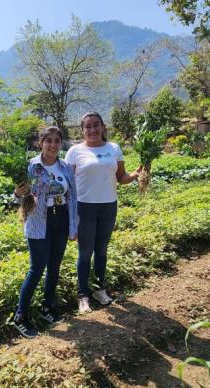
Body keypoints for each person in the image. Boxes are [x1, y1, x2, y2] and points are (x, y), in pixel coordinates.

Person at [64, 111, 140, 313]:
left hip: (108, 206)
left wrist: (138, 173)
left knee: (102, 251)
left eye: (96, 125)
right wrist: (69, 215)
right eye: (87, 126)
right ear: (82, 130)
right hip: (84, 207)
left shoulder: (114, 149)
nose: (92, 129)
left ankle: (99, 289)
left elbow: (121, 177)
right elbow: (67, 185)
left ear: (103, 127)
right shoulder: (74, 152)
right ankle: (82, 296)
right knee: (85, 253)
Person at [13, 126, 78, 338]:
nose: (52, 145)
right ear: (40, 142)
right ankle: (20, 316)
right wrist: (17, 194)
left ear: (61, 143)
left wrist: (73, 225)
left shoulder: (66, 167)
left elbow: (73, 197)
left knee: (54, 267)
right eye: (48, 140)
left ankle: (47, 308)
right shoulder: (31, 166)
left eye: (56, 141)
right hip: (39, 220)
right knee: (36, 269)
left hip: (61, 218)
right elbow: (19, 197)